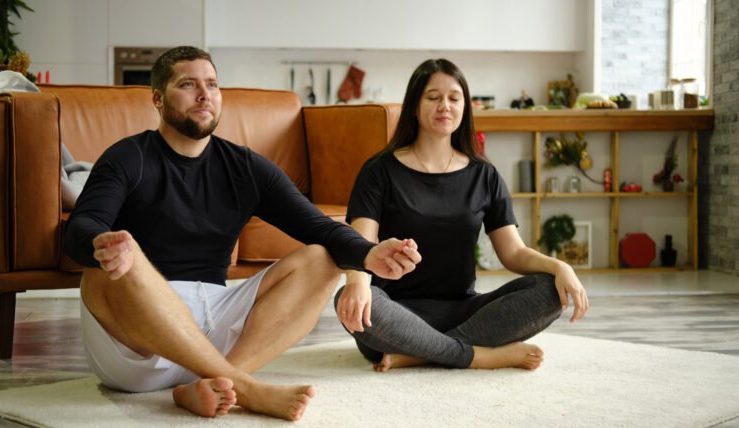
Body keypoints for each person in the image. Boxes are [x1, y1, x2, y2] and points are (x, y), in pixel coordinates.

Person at [63, 46, 421, 421]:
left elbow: (318, 227)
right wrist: (101, 246)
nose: (205, 94)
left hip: (217, 326)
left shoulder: (244, 166)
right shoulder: (128, 157)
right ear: (157, 98)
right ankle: (245, 388)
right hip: (138, 348)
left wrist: (369, 254)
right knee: (108, 265)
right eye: (188, 84)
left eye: (212, 85)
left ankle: (217, 382)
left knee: (322, 257)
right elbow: (81, 228)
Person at [335, 59, 589, 373]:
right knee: (349, 299)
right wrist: (357, 282)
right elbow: (361, 240)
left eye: (454, 98)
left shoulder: (484, 175)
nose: (445, 105)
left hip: (466, 312)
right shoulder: (379, 171)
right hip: (396, 313)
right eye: (433, 97)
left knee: (550, 289)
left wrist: (560, 267)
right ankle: (479, 356)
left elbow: (513, 253)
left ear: (465, 108)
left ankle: (423, 354)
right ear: (414, 105)